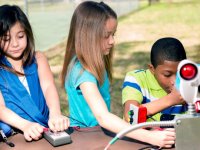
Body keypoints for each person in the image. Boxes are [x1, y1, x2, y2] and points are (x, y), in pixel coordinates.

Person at [61, 1, 175, 148]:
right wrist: (149, 137)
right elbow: (103, 117)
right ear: (87, 36)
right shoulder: (81, 72)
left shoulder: (97, 63)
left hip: (99, 132)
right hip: (85, 137)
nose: (112, 41)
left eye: (113, 34)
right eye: (106, 35)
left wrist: (145, 129)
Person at [0, 5, 69, 141]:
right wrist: (25, 125)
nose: (14, 44)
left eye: (20, 36)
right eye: (7, 39)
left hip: (47, 129)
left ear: (27, 34)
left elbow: (48, 87)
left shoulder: (38, 59)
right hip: (17, 134)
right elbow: (0, 108)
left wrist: (55, 113)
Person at [122, 37, 187, 123]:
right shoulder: (136, 79)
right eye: (167, 75)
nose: (174, 81)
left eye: (180, 73)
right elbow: (129, 117)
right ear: (152, 69)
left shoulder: (192, 80)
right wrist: (171, 99)